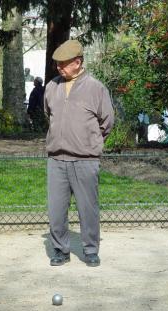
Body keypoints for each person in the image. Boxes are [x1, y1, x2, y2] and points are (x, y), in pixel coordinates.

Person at [44, 40, 114, 267]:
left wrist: (89, 143)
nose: (58, 67)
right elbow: (49, 114)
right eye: (57, 64)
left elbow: (107, 122)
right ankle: (60, 250)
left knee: (88, 209)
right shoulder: (51, 87)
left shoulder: (96, 88)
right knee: (56, 210)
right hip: (56, 159)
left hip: (85, 160)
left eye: (63, 63)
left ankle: (91, 250)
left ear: (77, 62)